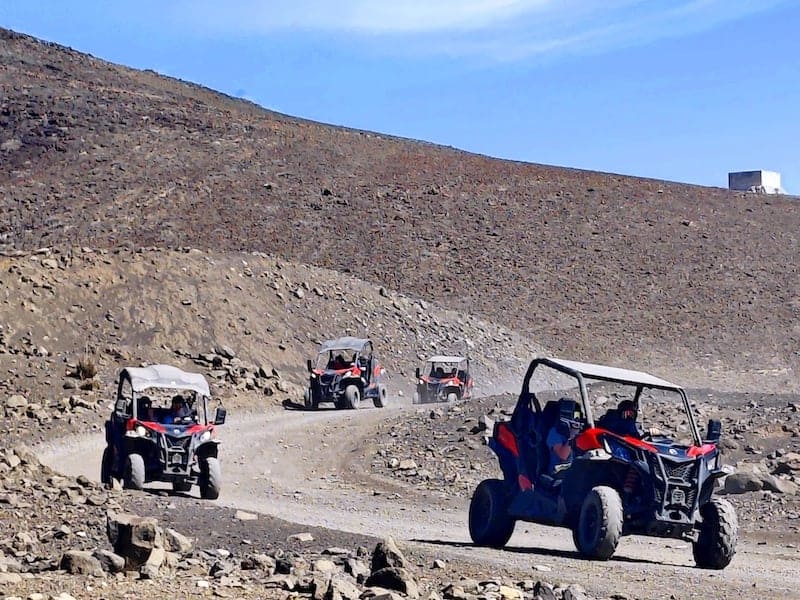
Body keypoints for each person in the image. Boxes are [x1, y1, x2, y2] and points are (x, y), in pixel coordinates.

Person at [545, 397, 582, 477]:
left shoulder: (575, 430)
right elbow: (563, 455)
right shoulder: (554, 433)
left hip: (575, 466)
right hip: (558, 470)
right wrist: (571, 438)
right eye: (575, 415)